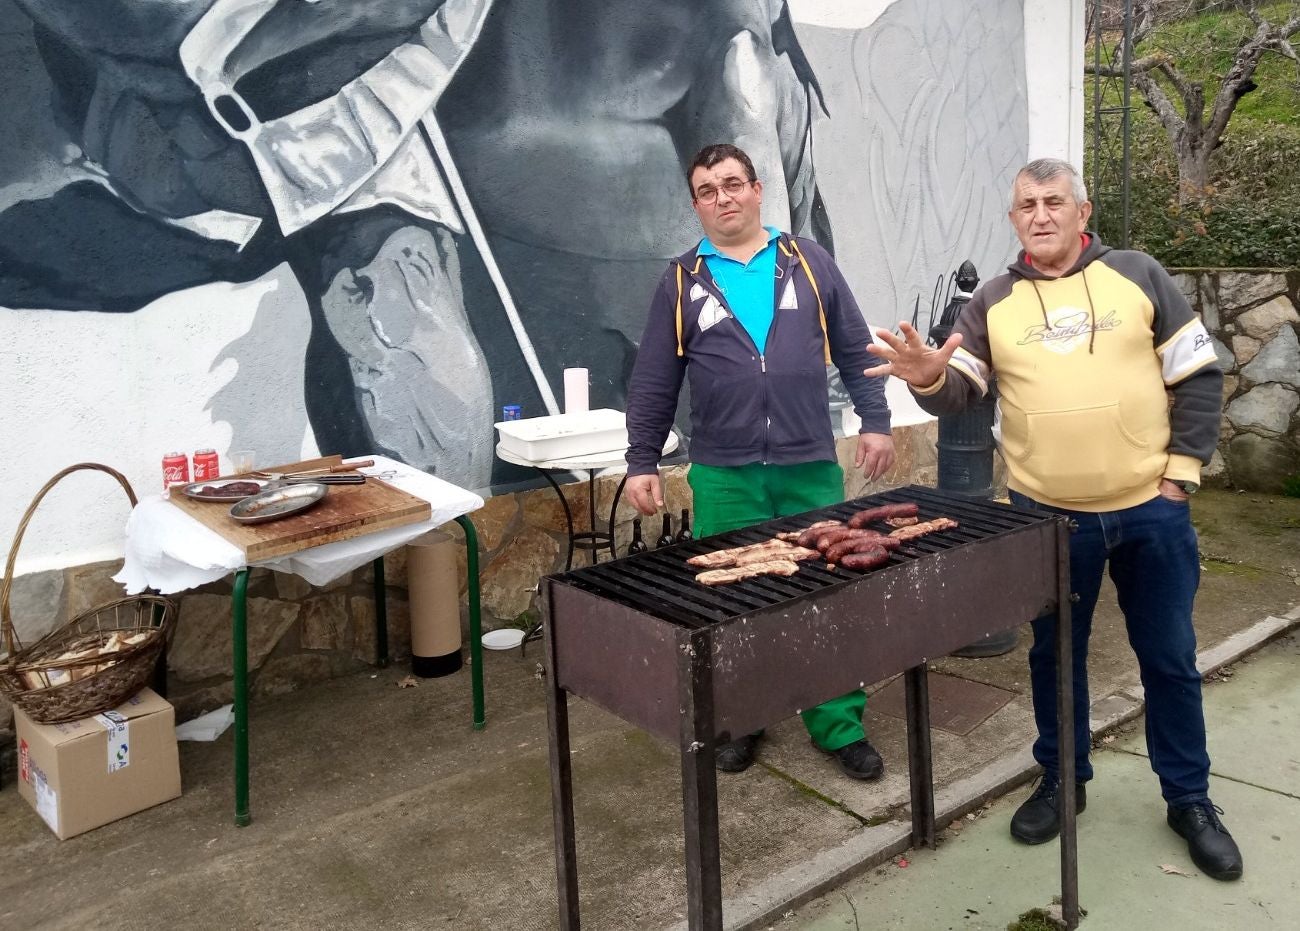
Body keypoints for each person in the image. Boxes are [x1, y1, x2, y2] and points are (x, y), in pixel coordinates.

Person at [865, 157, 1242, 880]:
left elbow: (1198, 371)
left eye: (1053, 201)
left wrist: (1180, 476)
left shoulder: (1137, 273)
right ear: (1014, 219)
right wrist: (927, 376)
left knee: (1168, 656)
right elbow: (962, 391)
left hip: (1150, 513)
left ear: (1081, 209)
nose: (1040, 214)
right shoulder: (996, 302)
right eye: (1026, 205)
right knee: (1054, 655)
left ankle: (1189, 798)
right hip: (1049, 518)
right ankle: (1062, 779)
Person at [624, 143, 896, 779]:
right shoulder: (682, 279)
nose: (723, 198)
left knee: (825, 595)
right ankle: (738, 719)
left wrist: (876, 422)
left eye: (732, 184)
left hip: (809, 464)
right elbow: (654, 380)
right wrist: (641, 459)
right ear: (696, 205)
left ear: (756, 190)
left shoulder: (808, 260)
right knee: (731, 602)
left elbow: (856, 348)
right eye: (708, 190)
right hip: (725, 473)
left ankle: (838, 725)